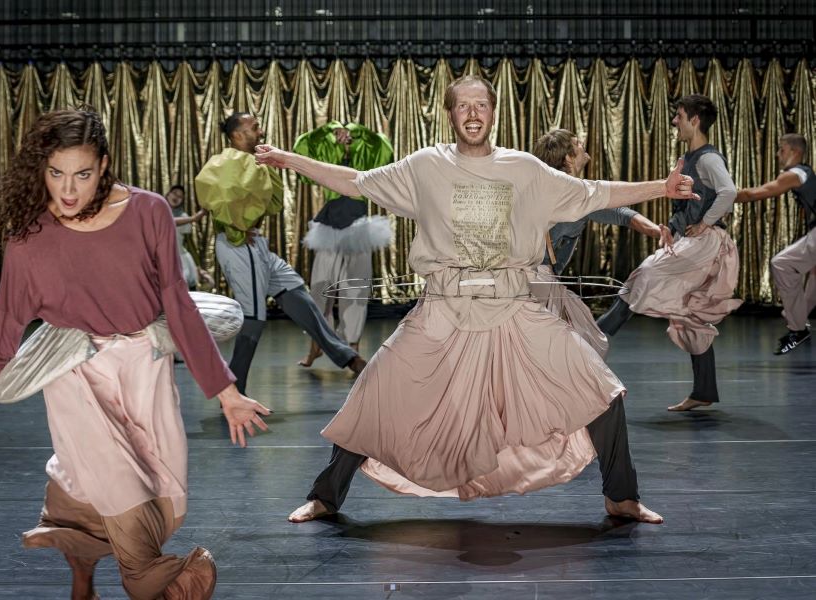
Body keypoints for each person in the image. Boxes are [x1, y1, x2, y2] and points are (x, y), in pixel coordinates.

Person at [256, 75, 700, 526]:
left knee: (601, 392)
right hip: (442, 309)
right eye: (463, 106)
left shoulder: (525, 169)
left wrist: (659, 189)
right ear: (450, 114)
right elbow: (355, 181)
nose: (472, 113)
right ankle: (325, 496)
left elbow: (592, 194)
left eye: (481, 105)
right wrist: (290, 160)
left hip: (513, 307)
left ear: (493, 112)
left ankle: (621, 497)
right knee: (375, 392)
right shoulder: (425, 166)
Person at [0, 108, 270, 600]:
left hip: (144, 365)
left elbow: (176, 302)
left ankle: (83, 568)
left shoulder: (149, 212)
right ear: (41, 169)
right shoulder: (29, 237)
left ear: (104, 165)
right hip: (73, 371)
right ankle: (150, 581)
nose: (68, 190)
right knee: (114, 482)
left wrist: (227, 392)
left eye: (82, 175)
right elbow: (4, 326)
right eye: (56, 174)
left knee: (158, 491)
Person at [195, 112, 367, 394]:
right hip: (241, 245)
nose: (260, 132)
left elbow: (271, 202)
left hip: (255, 244)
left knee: (297, 293)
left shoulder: (255, 161)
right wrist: (237, 228)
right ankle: (234, 392)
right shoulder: (224, 161)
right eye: (254, 128)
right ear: (237, 135)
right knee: (253, 317)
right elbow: (216, 197)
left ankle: (347, 357)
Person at [597, 94, 742, 411]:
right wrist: (673, 228)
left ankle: (591, 341)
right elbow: (688, 204)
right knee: (689, 313)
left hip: (707, 244)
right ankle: (704, 391)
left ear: (695, 120)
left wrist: (704, 223)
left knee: (643, 276)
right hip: (692, 241)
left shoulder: (707, 158)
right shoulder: (689, 158)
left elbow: (729, 191)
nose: (674, 121)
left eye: (679, 115)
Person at [531, 128, 672, 357]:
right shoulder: (569, 192)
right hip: (535, 281)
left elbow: (620, 213)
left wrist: (656, 230)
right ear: (568, 157)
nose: (582, 144)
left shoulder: (574, 192)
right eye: (577, 143)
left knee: (578, 345)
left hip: (540, 279)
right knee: (575, 348)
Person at [294, 122, 394, 366]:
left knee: (356, 291)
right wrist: (328, 130)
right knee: (320, 289)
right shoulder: (327, 154)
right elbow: (302, 149)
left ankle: (353, 347)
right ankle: (316, 346)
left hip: (358, 229)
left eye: (349, 135)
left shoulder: (367, 156)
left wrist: (358, 131)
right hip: (329, 229)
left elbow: (384, 147)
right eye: (342, 135)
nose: (345, 138)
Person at [735, 133, 815, 354]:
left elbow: (755, 194)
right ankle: (799, 322)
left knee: (781, 263)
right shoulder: (804, 172)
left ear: (795, 152)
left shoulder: (796, 173)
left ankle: (798, 328)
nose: (778, 154)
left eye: (782, 149)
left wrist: (724, 196)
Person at [165, 184, 209, 290]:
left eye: (180, 197)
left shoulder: (184, 217)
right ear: (168, 194)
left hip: (179, 260)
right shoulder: (156, 210)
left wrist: (198, 266)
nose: (176, 197)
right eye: (175, 193)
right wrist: (194, 218)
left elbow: (189, 243)